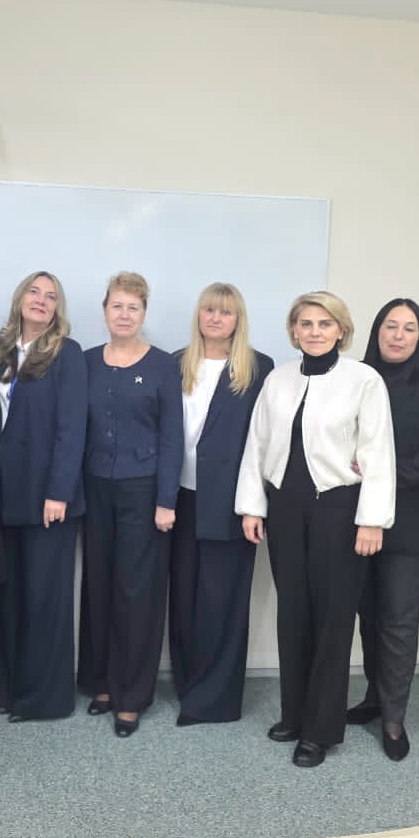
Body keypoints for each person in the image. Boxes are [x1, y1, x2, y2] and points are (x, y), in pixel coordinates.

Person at [236, 291, 395, 768]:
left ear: (341, 330)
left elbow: (378, 451)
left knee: (331, 620)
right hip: (286, 507)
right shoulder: (278, 380)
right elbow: (257, 443)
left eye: (325, 324)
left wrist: (372, 519)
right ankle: (294, 715)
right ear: (293, 330)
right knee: (293, 614)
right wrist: (252, 506)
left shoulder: (364, 380)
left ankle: (320, 730)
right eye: (305, 323)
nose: (314, 331)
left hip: (339, 510)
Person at [346, 298, 419, 760]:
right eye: (391, 326)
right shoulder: (352, 379)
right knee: (367, 615)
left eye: (409, 328)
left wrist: (381, 474)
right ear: (377, 331)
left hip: (409, 527)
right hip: (354, 522)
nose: (398, 335)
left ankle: (394, 718)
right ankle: (374, 697)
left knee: (398, 621)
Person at [78, 271, 183, 737]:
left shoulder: (163, 365)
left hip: (144, 490)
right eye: (117, 306)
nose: (124, 314)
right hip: (95, 487)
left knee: (136, 592)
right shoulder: (85, 362)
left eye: (133, 307)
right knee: (99, 585)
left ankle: (131, 696)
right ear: (105, 310)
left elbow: (172, 436)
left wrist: (166, 500)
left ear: (144, 314)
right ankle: (102, 683)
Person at [169, 283, 273, 726]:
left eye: (225, 312)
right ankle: (188, 686)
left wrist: (255, 505)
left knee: (222, 603)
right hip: (178, 499)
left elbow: (263, 441)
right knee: (183, 598)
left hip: (231, 502)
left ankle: (215, 700)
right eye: (209, 310)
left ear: (237, 320)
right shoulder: (176, 363)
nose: (215, 318)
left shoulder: (258, 368)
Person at [0, 271, 88, 721]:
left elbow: (72, 428)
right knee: (11, 596)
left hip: (49, 496)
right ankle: (8, 690)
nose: (41, 300)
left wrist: (59, 492)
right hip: (7, 493)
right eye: (34, 292)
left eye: (50, 296)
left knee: (45, 597)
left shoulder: (68, 353)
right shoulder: (0, 352)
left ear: (57, 308)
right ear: (20, 298)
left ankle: (44, 699)